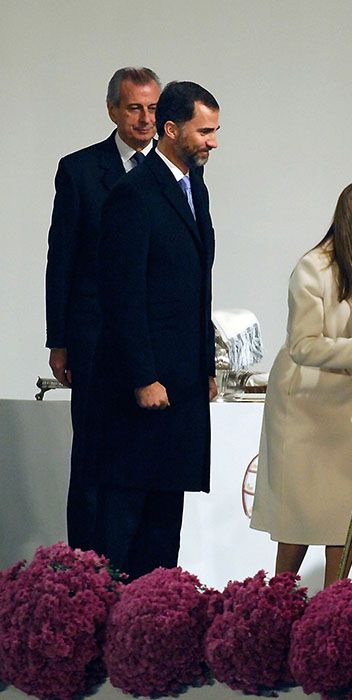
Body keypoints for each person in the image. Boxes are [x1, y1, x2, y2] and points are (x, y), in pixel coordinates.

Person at [87, 81, 220, 580]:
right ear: (171, 129)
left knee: (166, 521)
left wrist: (205, 367)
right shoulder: (133, 194)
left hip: (182, 383)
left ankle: (156, 624)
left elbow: (198, 286)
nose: (213, 141)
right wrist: (143, 377)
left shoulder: (194, 187)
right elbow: (122, 296)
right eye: (204, 131)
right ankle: (110, 632)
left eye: (215, 130)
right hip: (140, 390)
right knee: (126, 519)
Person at [249, 179, 352, 588]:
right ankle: (277, 601)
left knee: (345, 516)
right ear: (348, 224)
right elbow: (303, 345)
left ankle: (334, 606)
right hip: (303, 405)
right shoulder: (312, 267)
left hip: (347, 405)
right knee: (297, 516)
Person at [44, 66, 161, 552]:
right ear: (113, 109)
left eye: (153, 108)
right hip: (93, 341)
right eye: (135, 107)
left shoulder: (176, 172)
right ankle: (85, 571)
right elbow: (62, 259)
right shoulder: (80, 170)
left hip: (154, 343)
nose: (145, 119)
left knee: (149, 465)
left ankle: (147, 580)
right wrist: (59, 340)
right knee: (92, 457)